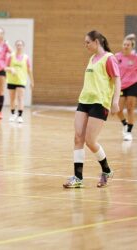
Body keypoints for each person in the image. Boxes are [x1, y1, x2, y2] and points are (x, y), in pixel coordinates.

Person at [63, 30, 121, 188]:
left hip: (99, 103)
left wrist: (115, 101)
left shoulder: (109, 58)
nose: (86, 45)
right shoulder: (91, 58)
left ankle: (107, 170)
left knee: (90, 141)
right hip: (84, 101)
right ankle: (78, 177)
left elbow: (117, 80)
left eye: (88, 42)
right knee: (77, 138)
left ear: (97, 42)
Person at [5, 40, 34, 123]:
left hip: (21, 81)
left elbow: (29, 70)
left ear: (23, 46)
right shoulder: (11, 56)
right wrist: (11, 69)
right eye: (17, 45)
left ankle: (20, 115)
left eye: (20, 45)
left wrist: (32, 82)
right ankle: (13, 114)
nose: (19, 46)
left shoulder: (26, 58)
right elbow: (5, 67)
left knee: (20, 97)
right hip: (11, 80)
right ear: (15, 46)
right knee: (12, 98)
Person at [115, 34, 137, 141]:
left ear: (132, 46)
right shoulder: (117, 57)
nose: (126, 46)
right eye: (124, 44)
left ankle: (129, 132)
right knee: (118, 109)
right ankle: (125, 124)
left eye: (128, 45)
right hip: (121, 86)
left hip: (133, 84)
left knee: (130, 108)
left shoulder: (135, 58)